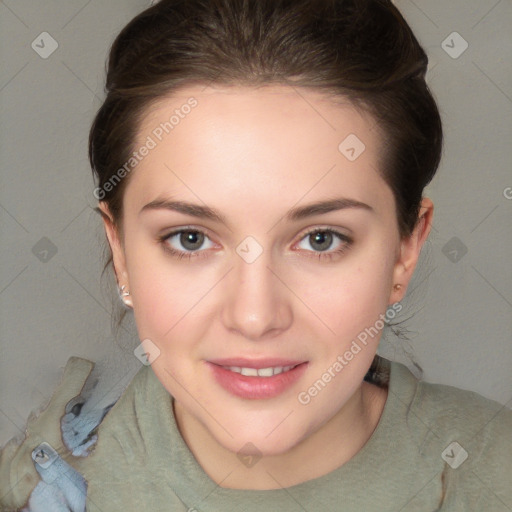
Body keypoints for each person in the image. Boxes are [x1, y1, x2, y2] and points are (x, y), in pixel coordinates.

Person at [1, 0, 511, 510]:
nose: (254, 316)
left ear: (405, 249)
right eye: (190, 239)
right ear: (122, 252)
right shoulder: (36, 487)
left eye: (321, 239)